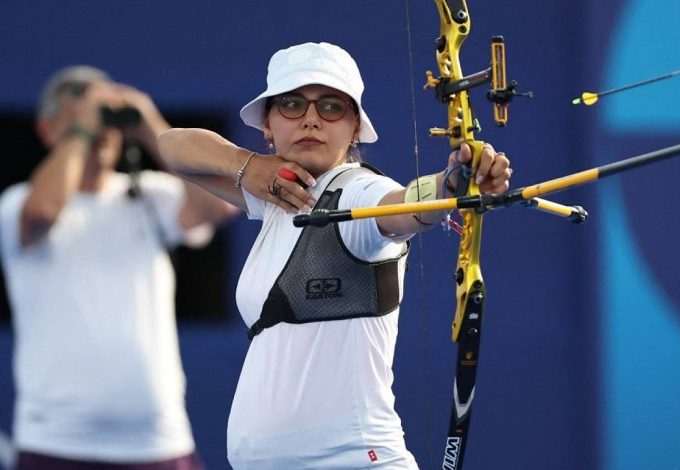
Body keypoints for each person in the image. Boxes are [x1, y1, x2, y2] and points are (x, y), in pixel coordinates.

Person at [157, 42, 512, 469]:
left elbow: (403, 207)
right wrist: (247, 165)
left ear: (356, 128)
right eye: (291, 104)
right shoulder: (278, 197)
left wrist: (454, 183)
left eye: (330, 107)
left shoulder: (357, 194)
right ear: (267, 125)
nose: (310, 118)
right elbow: (170, 147)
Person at [0, 66, 238, 469]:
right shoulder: (17, 202)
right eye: (79, 117)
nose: (99, 131)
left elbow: (223, 206)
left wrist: (150, 127)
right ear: (47, 129)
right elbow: (41, 214)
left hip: (157, 440)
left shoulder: (151, 195)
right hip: (56, 441)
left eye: (106, 120)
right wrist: (82, 131)